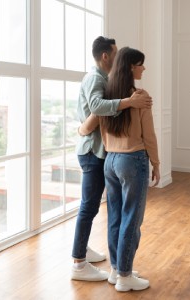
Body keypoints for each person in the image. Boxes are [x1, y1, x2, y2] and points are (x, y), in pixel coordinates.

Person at [71, 36, 152, 282]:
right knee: (90, 206)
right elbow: (97, 106)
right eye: (116, 55)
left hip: (105, 153)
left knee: (108, 210)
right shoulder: (96, 78)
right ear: (106, 56)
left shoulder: (107, 80)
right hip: (93, 152)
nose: (119, 60)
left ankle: (110, 264)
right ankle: (79, 263)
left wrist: (83, 128)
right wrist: (130, 101)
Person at [98, 47, 160, 292]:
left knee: (115, 217)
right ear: (131, 67)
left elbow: (98, 128)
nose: (144, 68)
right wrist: (156, 162)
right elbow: (149, 134)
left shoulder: (107, 95)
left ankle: (116, 269)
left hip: (110, 160)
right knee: (132, 219)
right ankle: (125, 275)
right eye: (141, 64)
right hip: (132, 159)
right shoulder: (140, 96)